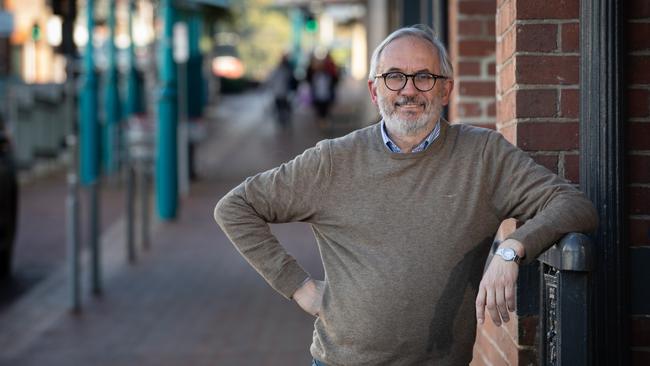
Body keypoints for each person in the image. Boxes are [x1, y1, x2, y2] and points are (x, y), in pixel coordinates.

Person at [214, 24, 598, 366]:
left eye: (424, 77)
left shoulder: (484, 156)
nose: (409, 90)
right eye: (394, 77)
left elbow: (575, 206)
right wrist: (299, 287)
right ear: (374, 89)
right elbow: (235, 207)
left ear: (446, 88)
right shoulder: (333, 160)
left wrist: (512, 248)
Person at [267, 54, 298, 128]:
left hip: (282, 93)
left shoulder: (285, 70)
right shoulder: (286, 70)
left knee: (282, 108)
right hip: (282, 93)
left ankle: (283, 120)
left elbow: (271, 81)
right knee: (282, 108)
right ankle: (283, 120)